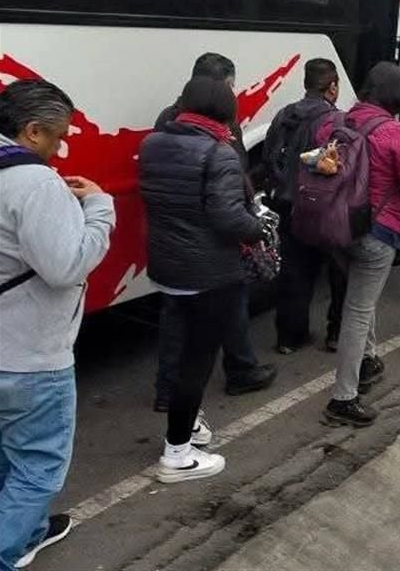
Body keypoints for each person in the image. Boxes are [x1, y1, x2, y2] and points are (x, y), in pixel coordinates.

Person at [0, 80, 115, 570]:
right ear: (31, 131)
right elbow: (66, 266)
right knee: (38, 468)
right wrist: (100, 208)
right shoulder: (34, 182)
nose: (61, 146)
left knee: (9, 455)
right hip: (31, 355)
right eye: (57, 136)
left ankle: (27, 531)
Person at [139, 76, 266, 483]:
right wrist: (258, 227)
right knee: (197, 361)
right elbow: (229, 219)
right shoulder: (220, 153)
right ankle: (177, 454)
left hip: (168, 265)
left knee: (181, 348)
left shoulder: (153, 144)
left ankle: (189, 424)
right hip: (209, 272)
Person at [152, 59, 276, 412]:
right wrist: (256, 229)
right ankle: (238, 372)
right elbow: (228, 197)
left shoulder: (163, 128)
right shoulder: (219, 139)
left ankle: (166, 388)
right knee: (229, 303)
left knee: (174, 315)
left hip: (168, 243)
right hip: (209, 245)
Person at [317, 63, 400, 427]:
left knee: (358, 298)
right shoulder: (397, 133)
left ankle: (367, 359)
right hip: (376, 232)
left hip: (334, 226)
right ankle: (344, 397)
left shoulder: (334, 124)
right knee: (359, 309)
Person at [263, 58, 347, 355]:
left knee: (294, 270)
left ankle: (289, 336)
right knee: (339, 269)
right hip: (322, 207)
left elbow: (268, 157)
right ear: (332, 87)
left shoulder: (284, 115)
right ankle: (335, 334)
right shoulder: (336, 121)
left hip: (287, 203)